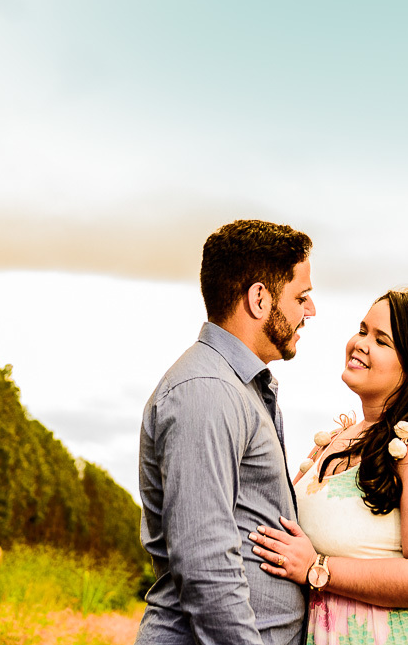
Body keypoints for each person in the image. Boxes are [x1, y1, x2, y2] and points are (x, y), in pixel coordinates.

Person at [248, 289, 408, 645]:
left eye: (381, 340)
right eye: (362, 330)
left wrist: (317, 568)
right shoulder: (334, 440)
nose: (360, 344)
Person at [135, 220, 316, 645]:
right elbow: (205, 563)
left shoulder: (238, 387)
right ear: (259, 298)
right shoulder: (207, 391)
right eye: (301, 296)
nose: (310, 310)